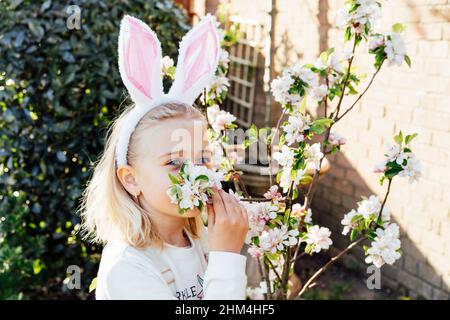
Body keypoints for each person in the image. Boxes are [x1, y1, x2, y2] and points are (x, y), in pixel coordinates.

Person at [78, 15, 249, 300]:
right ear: (131, 179)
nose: (198, 173)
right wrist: (227, 257)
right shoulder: (127, 267)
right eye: (175, 162)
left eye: (204, 159)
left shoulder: (199, 240)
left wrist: (221, 250)